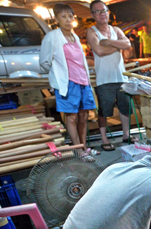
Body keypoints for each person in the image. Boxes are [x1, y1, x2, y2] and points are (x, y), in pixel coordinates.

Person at [40, 3, 97, 156]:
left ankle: (84, 147)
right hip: (68, 84)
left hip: (83, 82)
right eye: (63, 17)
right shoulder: (52, 37)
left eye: (70, 17)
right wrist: (56, 77)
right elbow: (44, 62)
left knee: (84, 117)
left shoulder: (75, 37)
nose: (67, 20)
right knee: (72, 118)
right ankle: (78, 150)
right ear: (56, 19)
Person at [87, 0, 136, 152]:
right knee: (104, 110)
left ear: (108, 12)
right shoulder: (92, 31)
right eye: (98, 11)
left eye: (104, 10)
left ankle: (126, 135)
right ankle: (104, 138)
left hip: (121, 76)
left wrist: (108, 42)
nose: (102, 14)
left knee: (125, 107)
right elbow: (99, 51)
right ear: (93, 14)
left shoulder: (116, 29)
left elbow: (128, 44)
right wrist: (117, 47)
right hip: (104, 78)